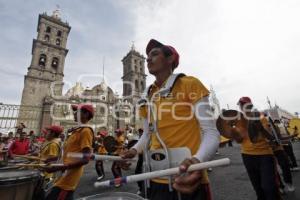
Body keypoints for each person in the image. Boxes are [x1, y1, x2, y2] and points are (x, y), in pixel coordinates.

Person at [120, 39, 220, 200]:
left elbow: (211, 132)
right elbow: (147, 135)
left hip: (187, 178)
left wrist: (197, 161)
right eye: (147, 57)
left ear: (170, 59)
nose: (148, 59)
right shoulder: (147, 96)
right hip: (154, 179)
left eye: (154, 54)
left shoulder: (190, 84)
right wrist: (133, 151)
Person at [44, 104, 94, 200]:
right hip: (64, 173)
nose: (74, 113)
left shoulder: (86, 131)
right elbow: (67, 153)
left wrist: (59, 167)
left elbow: (86, 159)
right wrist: (53, 160)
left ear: (86, 114)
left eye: (77, 111)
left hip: (69, 176)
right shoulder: (77, 131)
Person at [234, 97, 281, 200]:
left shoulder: (260, 117)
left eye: (245, 105)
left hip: (264, 155)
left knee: (269, 187)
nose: (243, 107)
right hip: (247, 155)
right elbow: (239, 141)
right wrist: (233, 133)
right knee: (258, 188)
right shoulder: (238, 121)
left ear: (250, 106)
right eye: (241, 105)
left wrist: (260, 128)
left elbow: (270, 137)